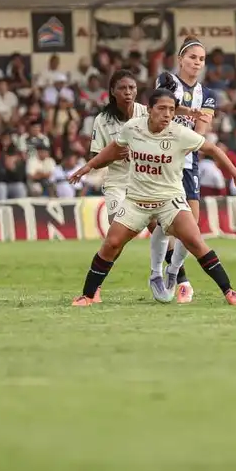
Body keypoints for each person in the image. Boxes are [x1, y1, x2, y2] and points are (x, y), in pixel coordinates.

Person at [67, 88, 236, 307]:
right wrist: (88, 167)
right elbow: (112, 150)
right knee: (111, 244)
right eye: (162, 109)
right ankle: (88, 295)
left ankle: (229, 292)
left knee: (195, 241)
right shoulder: (132, 128)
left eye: (171, 109)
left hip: (170, 201)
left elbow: (213, 150)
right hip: (136, 201)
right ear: (149, 110)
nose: (167, 114)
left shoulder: (180, 133)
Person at [151, 37, 218, 304]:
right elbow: (162, 109)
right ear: (180, 59)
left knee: (192, 223)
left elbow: (202, 129)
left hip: (188, 159)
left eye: (201, 59)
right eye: (192, 57)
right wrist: (189, 113)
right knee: (166, 222)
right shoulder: (166, 80)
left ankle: (173, 270)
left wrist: (190, 133)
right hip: (162, 157)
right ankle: (178, 279)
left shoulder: (208, 95)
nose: (197, 63)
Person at [87, 70, 150, 300]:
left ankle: (176, 280)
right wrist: (114, 154)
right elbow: (95, 157)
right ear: (112, 91)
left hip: (146, 182)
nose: (128, 92)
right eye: (123, 88)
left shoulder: (146, 112)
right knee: (116, 236)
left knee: (161, 230)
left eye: (132, 88)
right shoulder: (102, 120)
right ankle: (96, 286)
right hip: (117, 183)